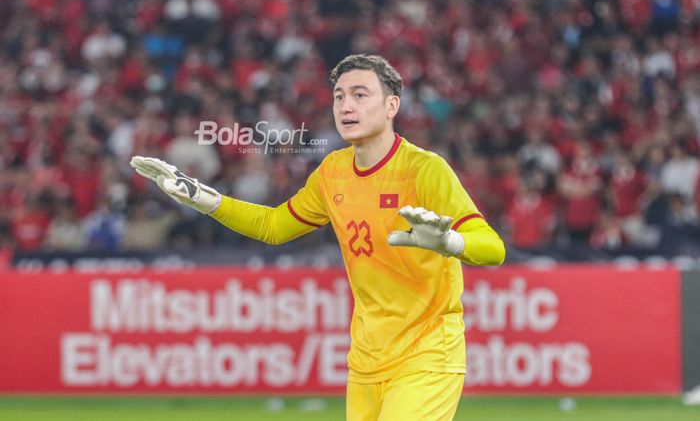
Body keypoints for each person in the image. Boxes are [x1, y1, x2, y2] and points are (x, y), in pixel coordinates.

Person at [131, 54, 505, 420]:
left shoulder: (425, 169)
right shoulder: (333, 172)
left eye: (360, 95)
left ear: (392, 105)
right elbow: (274, 226)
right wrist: (205, 199)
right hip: (366, 360)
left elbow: (493, 248)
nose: (346, 105)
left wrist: (450, 243)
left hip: (428, 355)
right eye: (339, 96)